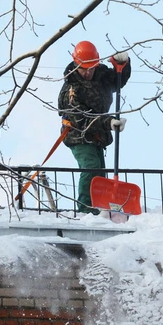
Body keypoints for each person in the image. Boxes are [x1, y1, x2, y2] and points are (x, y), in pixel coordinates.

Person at [58, 41, 131, 214]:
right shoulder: (71, 89)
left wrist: (123, 65)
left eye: (92, 67)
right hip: (78, 134)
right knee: (91, 166)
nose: (88, 72)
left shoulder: (100, 74)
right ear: (76, 65)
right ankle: (85, 210)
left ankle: (100, 209)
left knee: (100, 172)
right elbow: (82, 118)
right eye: (84, 68)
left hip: (98, 136)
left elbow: (117, 81)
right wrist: (109, 122)